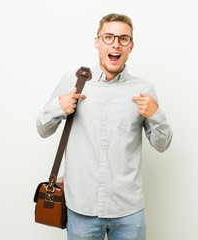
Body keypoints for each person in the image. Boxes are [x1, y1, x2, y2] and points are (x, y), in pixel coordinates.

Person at [36, 13, 173, 240]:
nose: (116, 44)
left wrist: (156, 114)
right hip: (81, 209)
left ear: (131, 46)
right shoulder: (74, 80)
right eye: (108, 37)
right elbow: (43, 129)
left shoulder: (144, 89)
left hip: (128, 212)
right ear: (97, 42)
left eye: (123, 39)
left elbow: (162, 145)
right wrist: (58, 107)